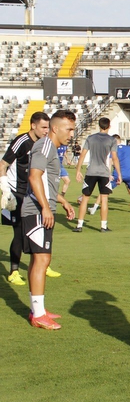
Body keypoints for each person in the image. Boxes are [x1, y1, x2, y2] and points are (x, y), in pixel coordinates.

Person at [21, 110, 77, 329]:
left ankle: (38, 309)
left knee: (39, 260)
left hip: (42, 209)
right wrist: (45, 208)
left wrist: (62, 201)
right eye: (69, 129)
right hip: (36, 211)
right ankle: (38, 315)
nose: (71, 134)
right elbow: (34, 176)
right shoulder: (45, 145)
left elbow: (45, 181)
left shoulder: (50, 148)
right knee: (42, 260)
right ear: (55, 128)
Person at [0, 112, 61, 285]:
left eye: (47, 127)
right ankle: (14, 271)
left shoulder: (45, 145)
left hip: (34, 193)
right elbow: (2, 165)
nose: (45, 130)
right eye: (42, 127)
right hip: (16, 194)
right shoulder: (21, 142)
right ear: (33, 126)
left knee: (44, 228)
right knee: (19, 233)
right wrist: (5, 190)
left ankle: (43, 264)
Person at [74, 117, 122, 232]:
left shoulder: (91, 138)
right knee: (104, 199)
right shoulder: (112, 140)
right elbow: (114, 158)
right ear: (109, 126)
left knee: (85, 198)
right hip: (104, 173)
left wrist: (78, 170)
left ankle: (79, 225)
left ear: (99, 125)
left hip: (91, 172)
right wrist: (119, 174)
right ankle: (103, 226)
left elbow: (82, 155)